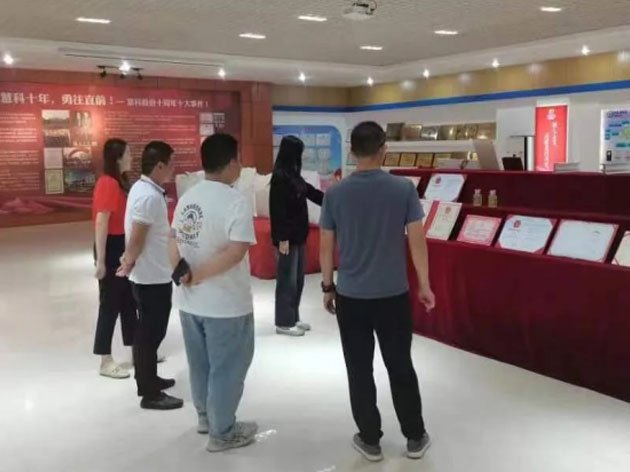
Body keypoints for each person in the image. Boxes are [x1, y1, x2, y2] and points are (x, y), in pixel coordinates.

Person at [319, 121, 436, 462]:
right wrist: (425, 284)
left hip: (351, 296)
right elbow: (417, 241)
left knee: (359, 368)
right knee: (400, 365)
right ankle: (415, 436)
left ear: (352, 151)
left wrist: (328, 287)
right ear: (384, 149)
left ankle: (370, 439)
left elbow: (326, 246)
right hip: (393, 296)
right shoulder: (403, 189)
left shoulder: (335, 194)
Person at [169, 133, 258, 452]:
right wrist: (196, 275)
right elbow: (235, 252)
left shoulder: (188, 197)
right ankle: (222, 432)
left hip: (190, 304)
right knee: (228, 368)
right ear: (231, 162)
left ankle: (207, 418)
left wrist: (181, 271)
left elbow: (172, 239)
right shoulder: (235, 201)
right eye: (239, 159)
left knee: (201, 364)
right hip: (226, 306)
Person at [118, 141, 183, 410]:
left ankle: (151, 378)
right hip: (150, 276)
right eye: (171, 163)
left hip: (154, 273)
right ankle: (149, 392)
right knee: (149, 333)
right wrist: (128, 261)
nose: (173, 169)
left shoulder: (144, 189)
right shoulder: (149, 196)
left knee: (152, 331)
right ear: (159, 166)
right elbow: (137, 236)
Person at [269, 135, 324, 337]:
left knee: (298, 280)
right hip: (287, 238)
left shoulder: (294, 176)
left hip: (299, 236)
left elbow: (312, 193)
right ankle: (283, 322)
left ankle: (293, 316)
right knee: (287, 280)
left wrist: (332, 200)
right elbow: (277, 210)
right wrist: (282, 237)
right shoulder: (280, 178)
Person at [92, 138, 137, 379]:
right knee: (110, 304)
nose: (132, 157)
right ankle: (105, 359)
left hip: (122, 245)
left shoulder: (121, 182)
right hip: (110, 246)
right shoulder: (108, 183)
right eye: (128, 153)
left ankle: (137, 350)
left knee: (129, 301)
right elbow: (102, 221)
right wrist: (101, 260)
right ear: (118, 157)